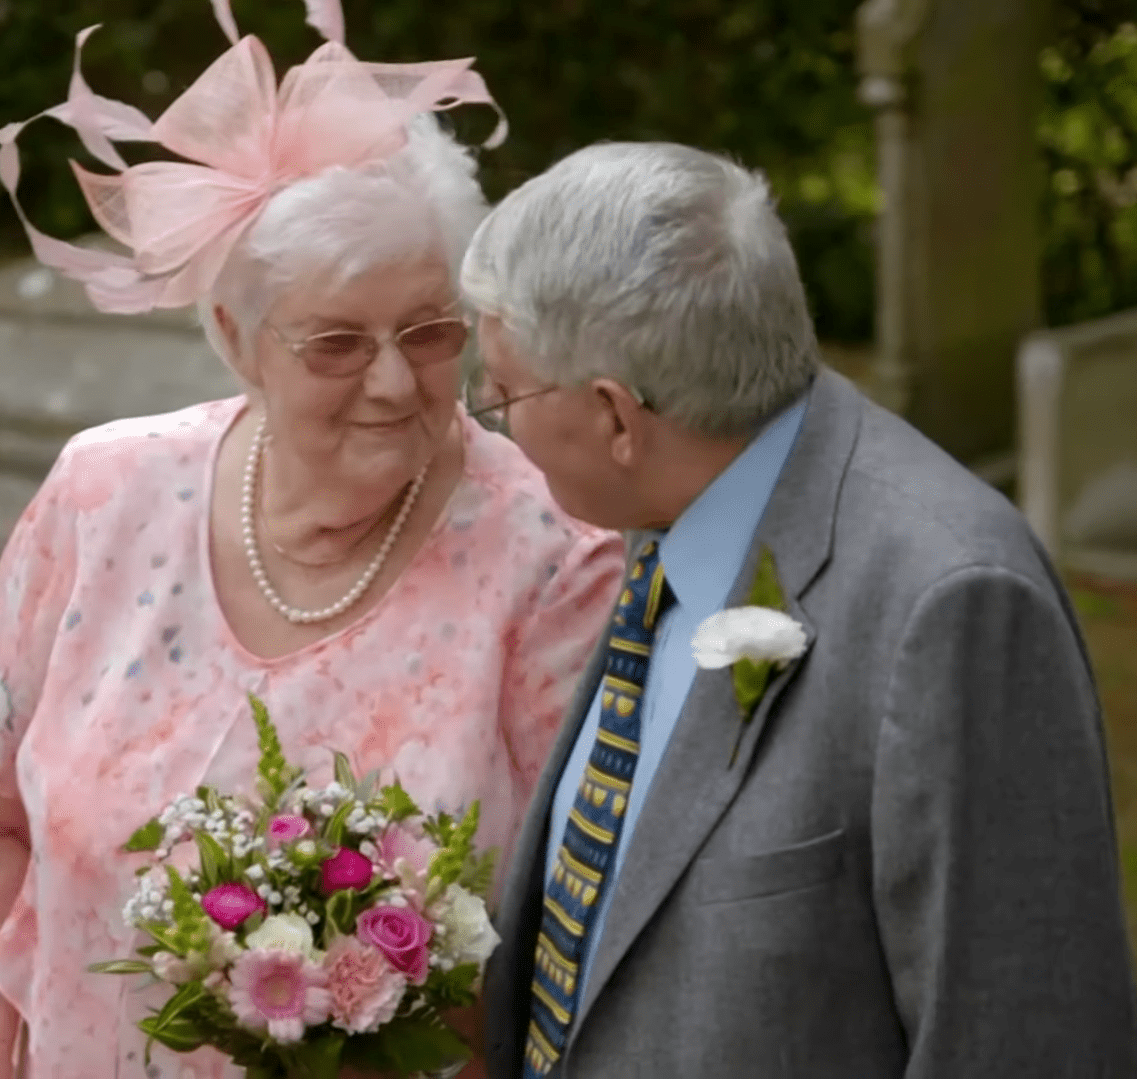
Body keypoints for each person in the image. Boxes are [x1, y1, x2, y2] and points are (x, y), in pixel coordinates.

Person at [0, 6, 625, 1077]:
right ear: (233, 337)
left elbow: (590, 922)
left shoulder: (553, 556)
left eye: (431, 332)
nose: (396, 383)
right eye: (337, 342)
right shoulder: (104, 495)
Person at [465, 140, 1137, 1078]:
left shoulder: (953, 603)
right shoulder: (671, 512)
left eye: (503, 390)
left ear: (618, 417)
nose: (491, 413)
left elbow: (1022, 1034)